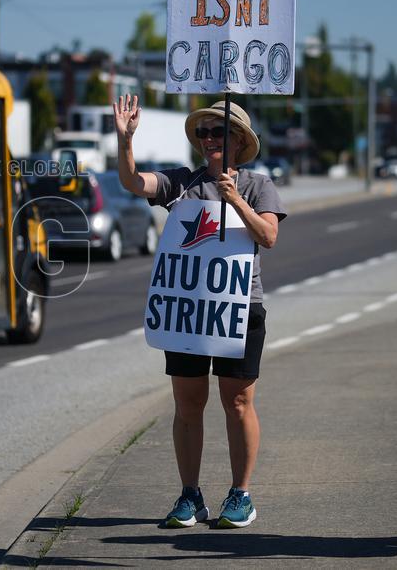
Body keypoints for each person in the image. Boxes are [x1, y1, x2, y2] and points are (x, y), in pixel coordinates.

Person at [114, 93, 287, 529]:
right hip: (189, 310)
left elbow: (268, 236)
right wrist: (125, 141)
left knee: (239, 402)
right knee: (187, 404)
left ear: (239, 140)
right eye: (204, 133)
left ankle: (240, 495)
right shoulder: (182, 183)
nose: (209, 139)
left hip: (240, 308)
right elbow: (134, 183)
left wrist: (236, 201)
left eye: (219, 132)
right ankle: (190, 496)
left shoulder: (258, 185)